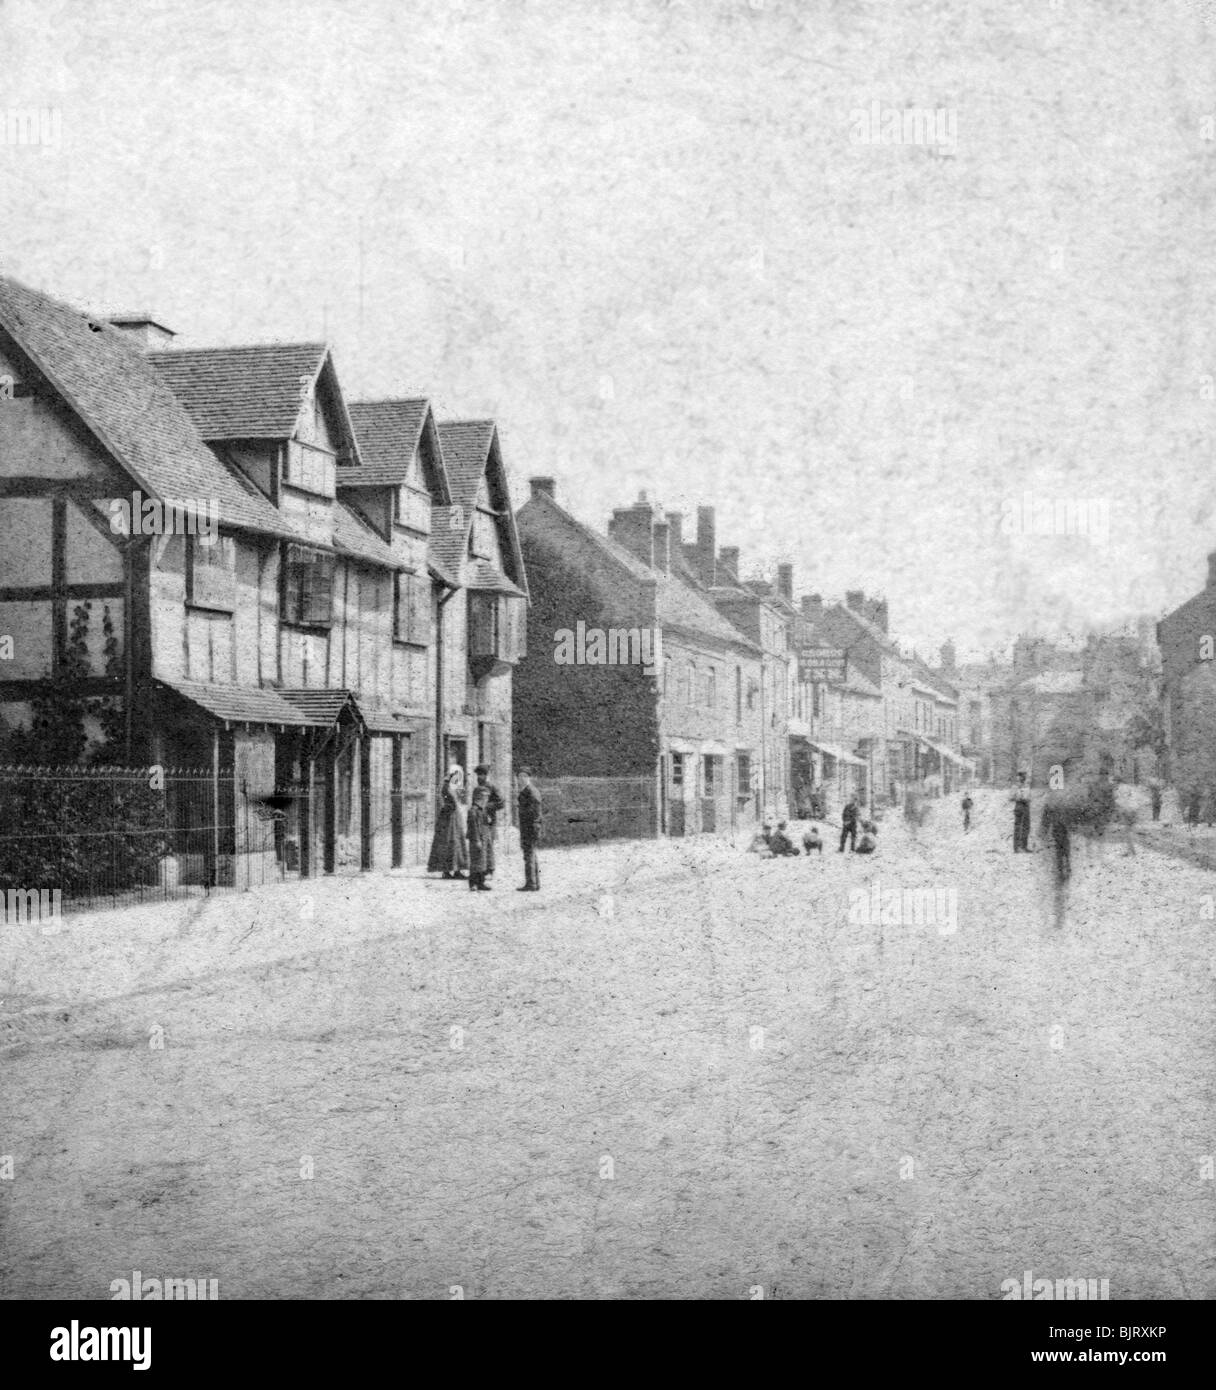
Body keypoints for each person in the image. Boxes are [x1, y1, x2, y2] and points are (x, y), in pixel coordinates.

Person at [427, 765, 469, 879]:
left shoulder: (453, 786)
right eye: (456, 776)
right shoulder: (446, 787)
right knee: (448, 842)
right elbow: (453, 799)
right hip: (448, 817)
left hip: (454, 816)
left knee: (457, 842)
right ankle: (446, 870)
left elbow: (461, 796)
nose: (458, 779)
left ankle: (457, 870)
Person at [473, 763, 505, 877]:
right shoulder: (478, 788)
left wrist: (487, 807)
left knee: (488, 845)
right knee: (483, 845)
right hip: (481, 820)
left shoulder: (492, 787)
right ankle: (483, 868)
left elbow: (501, 802)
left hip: (489, 820)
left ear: (486, 775)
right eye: (478, 775)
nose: (479, 777)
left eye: (481, 775)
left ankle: (490, 869)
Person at [516, 767, 542, 891]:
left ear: (528, 778)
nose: (521, 779)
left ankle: (531, 884)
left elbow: (535, 810)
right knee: (531, 855)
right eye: (519, 776)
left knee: (529, 855)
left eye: (523, 776)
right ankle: (534, 883)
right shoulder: (527, 790)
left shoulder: (531, 791)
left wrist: (535, 824)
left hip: (530, 827)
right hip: (528, 827)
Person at [465, 785, 494, 891]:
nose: (486, 800)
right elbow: (473, 827)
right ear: (478, 798)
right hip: (477, 840)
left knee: (483, 862)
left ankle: (481, 882)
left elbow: (485, 823)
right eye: (484, 798)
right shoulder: (473, 811)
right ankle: (473, 883)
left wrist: (488, 820)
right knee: (476, 862)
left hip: (485, 839)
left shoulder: (483, 810)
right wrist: (477, 840)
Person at [1040, 793, 1071, 882]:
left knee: (1060, 849)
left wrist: (1044, 831)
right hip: (1060, 828)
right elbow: (1046, 818)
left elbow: (1046, 818)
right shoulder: (1063, 800)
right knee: (1063, 848)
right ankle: (1064, 867)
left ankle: (1063, 868)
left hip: (1059, 828)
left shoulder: (1051, 801)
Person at [1011, 772, 1031, 852]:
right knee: (1018, 827)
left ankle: (1024, 846)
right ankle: (1016, 848)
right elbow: (1011, 797)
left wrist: (1027, 799)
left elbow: (1029, 796)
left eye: (1024, 777)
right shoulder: (1015, 787)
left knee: (1026, 827)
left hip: (1026, 806)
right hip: (1019, 806)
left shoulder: (1027, 786)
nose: (1023, 778)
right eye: (1021, 777)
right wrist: (1019, 797)